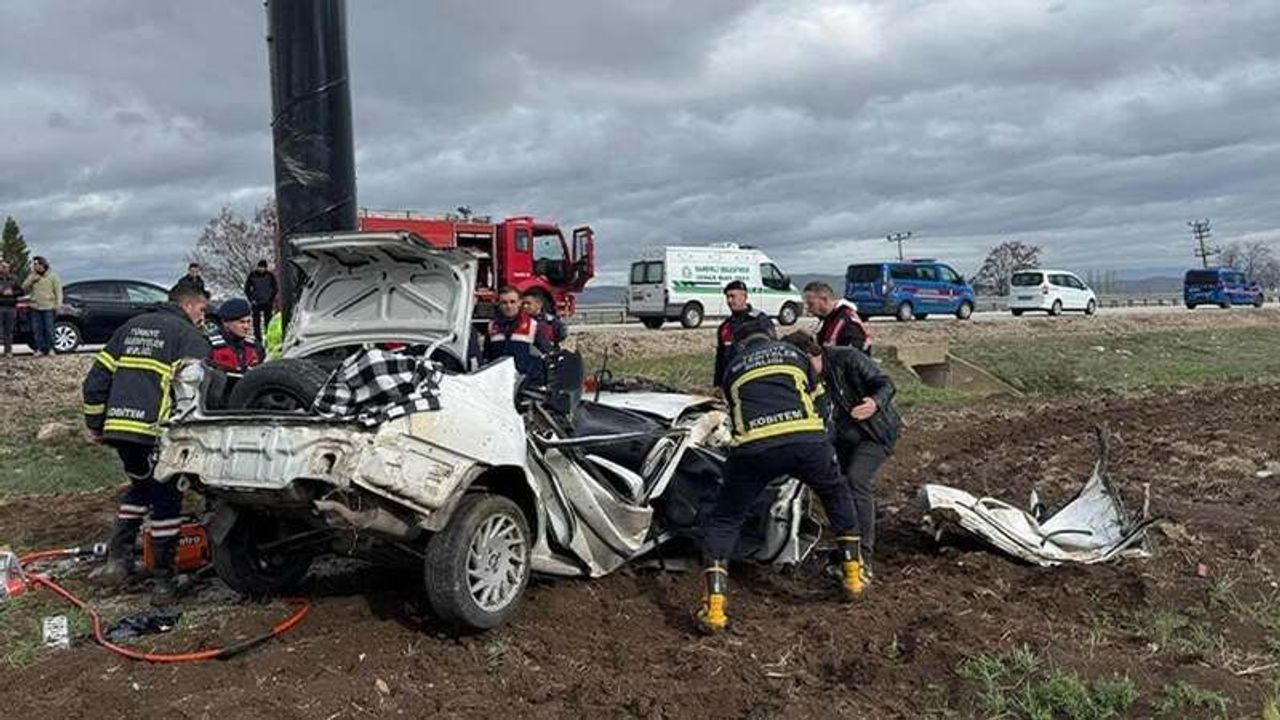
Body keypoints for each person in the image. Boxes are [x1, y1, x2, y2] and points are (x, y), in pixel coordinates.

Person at [696, 315, 866, 634]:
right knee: (835, 493)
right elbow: (820, 403)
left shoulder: (733, 368)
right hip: (806, 442)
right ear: (771, 335)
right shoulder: (795, 355)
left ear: (741, 344)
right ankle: (853, 577)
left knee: (725, 519)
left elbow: (736, 414)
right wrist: (823, 444)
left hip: (754, 450)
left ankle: (714, 609)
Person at [82, 285, 212, 604]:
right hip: (157, 432)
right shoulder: (187, 335)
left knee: (140, 487)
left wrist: (96, 425)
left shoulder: (129, 328)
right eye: (202, 310)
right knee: (166, 498)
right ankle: (164, 582)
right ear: (188, 305)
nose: (203, 317)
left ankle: (118, 562)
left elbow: (94, 382)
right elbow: (199, 388)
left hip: (121, 430)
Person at [784, 330, 900, 585]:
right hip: (841, 439)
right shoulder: (804, 380)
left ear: (811, 355)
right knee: (838, 487)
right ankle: (847, 546)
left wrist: (874, 403)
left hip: (874, 433)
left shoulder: (847, 358)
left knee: (857, 480)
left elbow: (885, 383)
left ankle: (863, 558)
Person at [712, 280, 775, 389]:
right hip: (732, 381)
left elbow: (773, 349)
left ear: (744, 296)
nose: (729, 301)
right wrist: (717, 385)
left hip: (756, 380)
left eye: (733, 296)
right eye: (727, 297)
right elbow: (720, 359)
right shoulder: (725, 327)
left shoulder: (760, 320)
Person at [484, 286, 551, 386]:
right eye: (504, 303)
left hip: (527, 385)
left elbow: (546, 354)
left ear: (519, 302)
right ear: (499, 304)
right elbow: (487, 357)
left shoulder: (533, 325)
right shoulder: (492, 326)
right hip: (500, 384)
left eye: (513, 302)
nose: (509, 306)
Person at [803, 281, 870, 354]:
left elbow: (853, 354)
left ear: (824, 299)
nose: (808, 308)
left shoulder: (848, 321)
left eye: (811, 304)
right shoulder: (829, 318)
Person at [207, 298, 262, 374]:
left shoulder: (254, 345)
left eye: (248, 322)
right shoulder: (210, 345)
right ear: (225, 323)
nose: (246, 327)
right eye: (241, 322)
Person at [21, 256, 62, 356]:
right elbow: (24, 286)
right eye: (34, 264)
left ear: (42, 264)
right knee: (37, 330)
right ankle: (40, 349)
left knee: (49, 329)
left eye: (37, 264)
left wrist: (58, 305)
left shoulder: (53, 276)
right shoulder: (32, 276)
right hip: (35, 307)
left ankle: (51, 348)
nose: (35, 266)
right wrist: (32, 280)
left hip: (48, 307)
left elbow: (58, 292)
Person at [243, 260, 278, 345]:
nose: (261, 269)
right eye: (260, 267)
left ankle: (268, 336)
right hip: (256, 302)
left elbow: (275, 288)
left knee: (268, 321)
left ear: (266, 268)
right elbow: (247, 289)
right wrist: (251, 299)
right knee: (256, 322)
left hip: (267, 302)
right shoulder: (252, 275)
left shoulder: (270, 275)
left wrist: (271, 299)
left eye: (263, 267)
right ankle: (258, 339)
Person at [0, 261, 20, 357]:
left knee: (8, 330)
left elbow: (21, 291)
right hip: (0, 306)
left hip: (11, 307)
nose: (4, 268)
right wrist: (2, 292)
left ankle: (8, 351)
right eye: (2, 266)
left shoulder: (14, 279)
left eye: (6, 267)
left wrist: (12, 292)